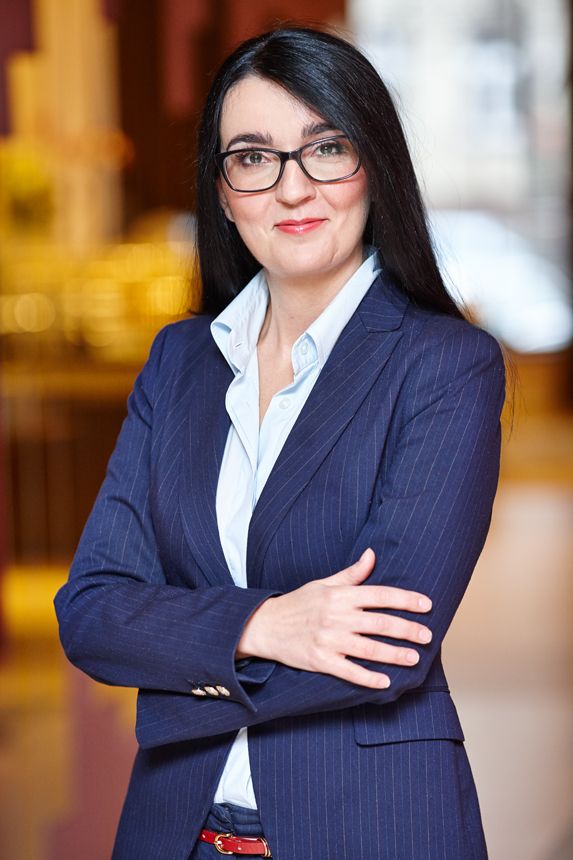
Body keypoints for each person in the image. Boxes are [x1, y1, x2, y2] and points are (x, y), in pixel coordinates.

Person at [54, 25, 506, 860]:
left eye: (325, 148)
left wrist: (176, 669)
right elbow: (90, 612)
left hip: (371, 827)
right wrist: (263, 623)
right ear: (223, 193)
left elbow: (390, 648)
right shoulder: (179, 362)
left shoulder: (445, 364)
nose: (292, 188)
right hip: (175, 833)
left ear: (375, 165)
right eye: (254, 157)